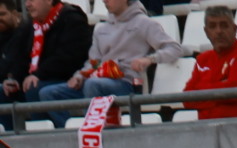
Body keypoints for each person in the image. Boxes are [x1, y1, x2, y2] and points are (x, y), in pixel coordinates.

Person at [39, 0, 179, 116]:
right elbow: (94, 62)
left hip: (127, 82)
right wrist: (80, 76)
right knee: (49, 93)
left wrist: (150, 59)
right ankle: (73, 131)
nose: (105, 1)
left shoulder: (145, 23)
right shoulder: (101, 29)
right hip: (98, 80)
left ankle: (92, 129)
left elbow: (174, 48)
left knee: (92, 85)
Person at [0, 0, 91, 129]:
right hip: (39, 78)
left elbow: (70, 58)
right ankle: (9, 138)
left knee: (33, 87)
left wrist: (39, 75)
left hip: (66, 79)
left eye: (32, 0)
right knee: (4, 91)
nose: (27, 5)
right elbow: (19, 57)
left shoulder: (72, 19)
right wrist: (13, 78)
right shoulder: (31, 26)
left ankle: (44, 134)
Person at [182, 6, 237, 119]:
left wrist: (201, 90)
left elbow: (233, 94)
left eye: (224, 25)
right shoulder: (202, 60)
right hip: (208, 128)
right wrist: (221, 91)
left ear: (234, 29)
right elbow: (187, 100)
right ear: (206, 32)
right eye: (213, 26)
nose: (219, 31)